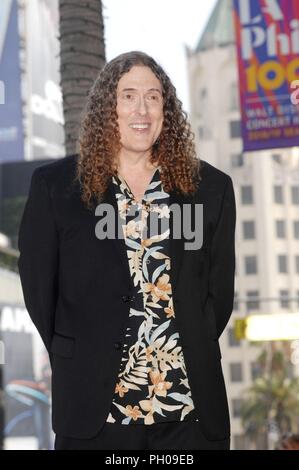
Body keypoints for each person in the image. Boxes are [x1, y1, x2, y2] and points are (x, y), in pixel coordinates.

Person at [17, 51, 236, 450]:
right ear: (107, 107)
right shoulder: (57, 187)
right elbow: (38, 292)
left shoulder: (211, 189)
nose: (142, 109)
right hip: (95, 416)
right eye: (128, 96)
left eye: (153, 97)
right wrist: (85, 349)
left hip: (189, 414)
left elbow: (217, 298)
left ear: (166, 110)